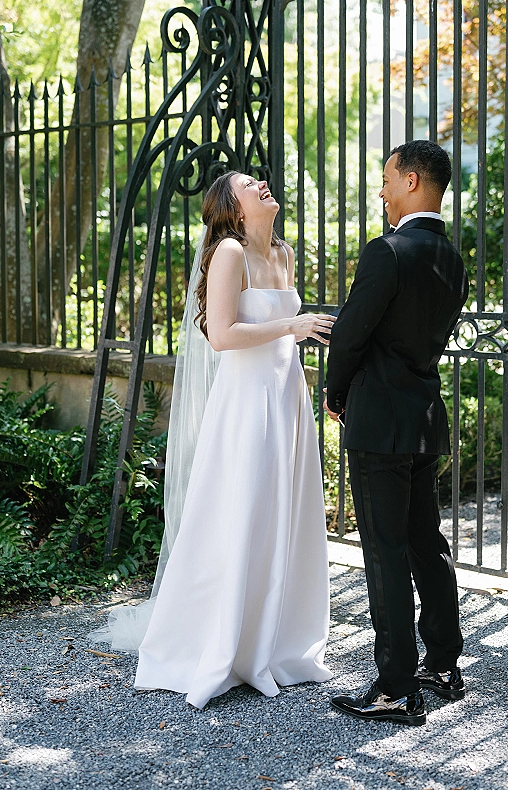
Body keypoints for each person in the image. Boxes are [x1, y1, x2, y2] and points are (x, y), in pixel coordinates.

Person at [92, 171, 335, 709]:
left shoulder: (282, 251)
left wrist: (294, 342)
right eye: (251, 183)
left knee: (282, 515)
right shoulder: (228, 251)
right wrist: (291, 327)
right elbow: (222, 335)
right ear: (232, 204)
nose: (264, 184)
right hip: (246, 402)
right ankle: (221, 642)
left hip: (284, 395)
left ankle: (272, 642)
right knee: (240, 512)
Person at [324, 140, 469, 726]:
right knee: (425, 542)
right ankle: (442, 665)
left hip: (379, 421)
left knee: (384, 550)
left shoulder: (387, 252)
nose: (381, 191)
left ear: (412, 181)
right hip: (424, 419)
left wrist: (335, 395)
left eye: (387, 180)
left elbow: (351, 336)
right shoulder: (452, 259)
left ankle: (394, 688)